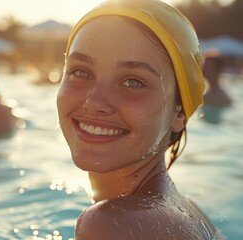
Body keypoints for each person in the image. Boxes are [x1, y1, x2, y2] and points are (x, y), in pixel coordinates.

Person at [56, 0, 224, 239]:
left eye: (133, 81)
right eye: (81, 72)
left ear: (179, 113)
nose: (95, 102)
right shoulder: (190, 212)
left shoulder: (112, 226)